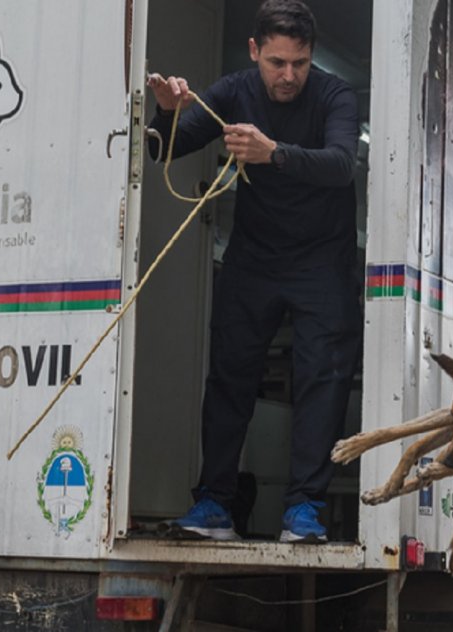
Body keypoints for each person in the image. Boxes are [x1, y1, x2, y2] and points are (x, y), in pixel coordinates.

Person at [145, 0, 361, 543]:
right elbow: (162, 151)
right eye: (276, 62)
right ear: (254, 51)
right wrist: (167, 112)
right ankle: (215, 503)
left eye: (300, 63)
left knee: (321, 382)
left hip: (322, 262)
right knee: (229, 377)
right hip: (254, 258)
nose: (289, 75)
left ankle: (304, 510)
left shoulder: (334, 94)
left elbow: (342, 165)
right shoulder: (232, 90)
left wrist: (274, 153)